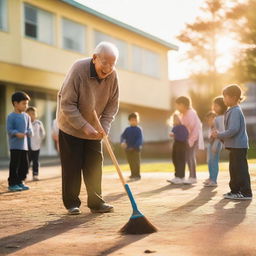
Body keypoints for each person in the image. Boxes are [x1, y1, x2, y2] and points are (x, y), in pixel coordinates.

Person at [57, 42, 119, 215]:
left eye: (113, 64)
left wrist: (104, 126)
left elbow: (112, 106)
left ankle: (96, 202)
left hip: (94, 126)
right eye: (105, 62)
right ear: (94, 58)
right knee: (72, 165)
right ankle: (71, 203)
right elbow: (67, 104)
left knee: (94, 165)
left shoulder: (113, 77)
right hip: (70, 125)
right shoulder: (78, 69)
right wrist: (83, 126)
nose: (108, 68)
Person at [212, 84, 252, 200]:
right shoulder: (232, 110)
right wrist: (220, 136)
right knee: (234, 169)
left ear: (234, 97)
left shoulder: (235, 111)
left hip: (239, 146)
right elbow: (231, 131)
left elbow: (233, 130)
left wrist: (219, 134)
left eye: (225, 97)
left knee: (240, 169)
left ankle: (246, 193)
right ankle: (235, 191)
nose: (223, 99)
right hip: (235, 146)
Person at [6, 91, 33, 192]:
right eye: (24, 103)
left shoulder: (27, 116)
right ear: (15, 103)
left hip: (24, 146)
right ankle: (12, 183)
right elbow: (9, 129)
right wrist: (16, 133)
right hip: (15, 146)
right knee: (15, 165)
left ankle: (20, 181)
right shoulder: (11, 116)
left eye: (27, 103)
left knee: (24, 165)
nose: (26, 106)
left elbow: (30, 129)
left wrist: (28, 132)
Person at [175, 96, 204, 184]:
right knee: (188, 157)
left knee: (190, 157)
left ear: (183, 105)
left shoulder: (190, 113)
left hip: (193, 138)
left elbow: (192, 128)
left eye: (178, 105)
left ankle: (193, 177)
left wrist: (189, 140)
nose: (177, 107)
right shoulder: (183, 114)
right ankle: (190, 176)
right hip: (188, 139)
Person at [204, 97, 227, 187]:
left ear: (222, 106)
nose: (213, 107)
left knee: (213, 162)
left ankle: (214, 180)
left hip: (216, 144)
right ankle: (211, 178)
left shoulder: (221, 118)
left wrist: (215, 145)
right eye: (213, 105)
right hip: (212, 143)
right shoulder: (217, 117)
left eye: (216, 105)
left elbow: (220, 133)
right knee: (210, 161)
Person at [121, 112, 143, 181]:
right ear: (129, 121)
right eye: (132, 120)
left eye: (135, 120)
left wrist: (134, 146)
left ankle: (137, 175)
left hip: (136, 149)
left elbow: (140, 139)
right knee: (130, 161)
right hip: (128, 149)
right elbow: (123, 136)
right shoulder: (127, 129)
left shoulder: (138, 129)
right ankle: (133, 174)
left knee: (136, 162)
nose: (134, 122)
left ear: (138, 120)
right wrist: (123, 142)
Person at [167, 113, 189, 184]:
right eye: (174, 119)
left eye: (177, 118)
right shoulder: (174, 127)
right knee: (175, 159)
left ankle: (181, 176)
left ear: (180, 119)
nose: (175, 120)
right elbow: (173, 134)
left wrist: (175, 135)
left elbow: (184, 136)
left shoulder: (183, 127)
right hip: (176, 144)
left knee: (180, 160)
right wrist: (172, 135)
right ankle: (177, 176)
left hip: (181, 145)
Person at [26, 106, 46, 181]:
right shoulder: (26, 123)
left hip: (37, 145)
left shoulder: (39, 123)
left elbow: (43, 133)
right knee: (27, 161)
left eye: (33, 114)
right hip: (28, 146)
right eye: (29, 114)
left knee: (35, 161)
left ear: (36, 114)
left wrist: (40, 139)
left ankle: (35, 174)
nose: (31, 115)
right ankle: (25, 174)